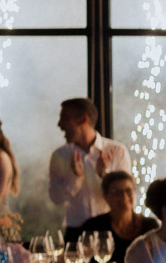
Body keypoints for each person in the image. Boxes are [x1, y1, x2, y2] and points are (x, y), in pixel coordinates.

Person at [49, 98, 132, 241]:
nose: (59, 125)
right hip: (75, 232)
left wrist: (103, 174)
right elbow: (55, 198)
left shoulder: (117, 151)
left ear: (83, 119)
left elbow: (126, 197)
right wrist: (76, 178)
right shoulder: (60, 155)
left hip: (111, 229)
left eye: (65, 119)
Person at [77, 171, 159, 263]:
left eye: (128, 191)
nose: (124, 197)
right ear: (105, 197)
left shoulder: (150, 226)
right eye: (116, 192)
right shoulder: (93, 226)